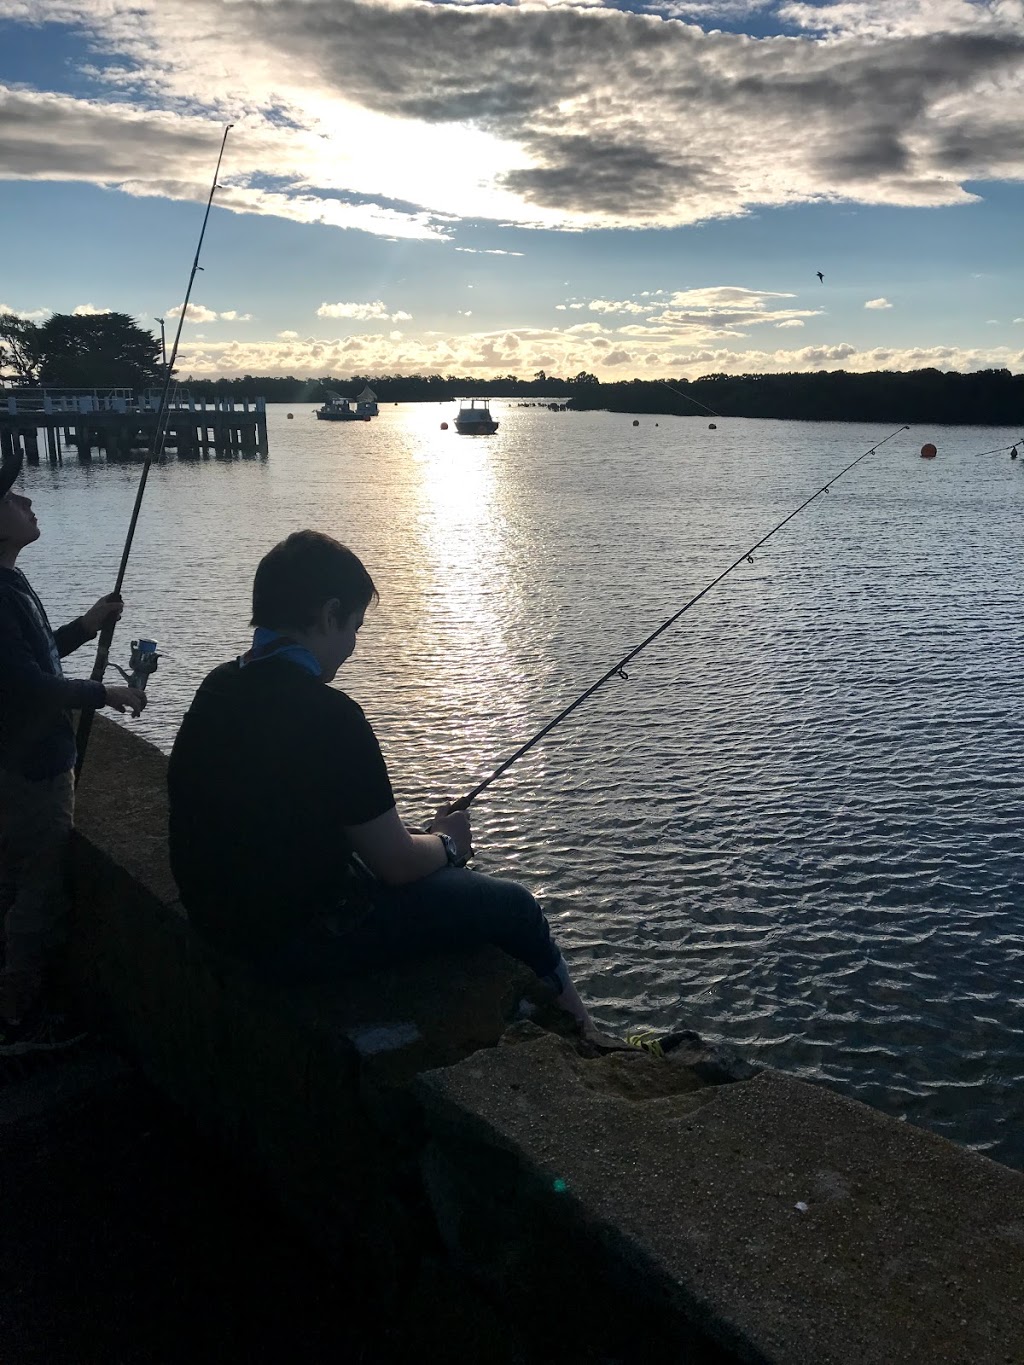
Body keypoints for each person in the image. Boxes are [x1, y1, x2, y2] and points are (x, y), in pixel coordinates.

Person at [167, 528, 598, 1037]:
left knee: (419, 855)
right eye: (354, 627)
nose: (351, 646)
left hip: (216, 921)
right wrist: (449, 844)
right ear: (328, 615)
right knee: (516, 906)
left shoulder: (217, 687)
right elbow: (395, 865)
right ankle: (587, 1033)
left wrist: (422, 841)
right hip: (292, 943)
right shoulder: (331, 716)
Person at [0, 450, 147, 1053]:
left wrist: (85, 627)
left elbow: (31, 663)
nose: (27, 502)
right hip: (31, 773)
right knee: (37, 895)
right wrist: (107, 692)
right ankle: (15, 1022)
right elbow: (32, 688)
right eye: (11, 500)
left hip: (26, 764)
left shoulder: (10, 583)